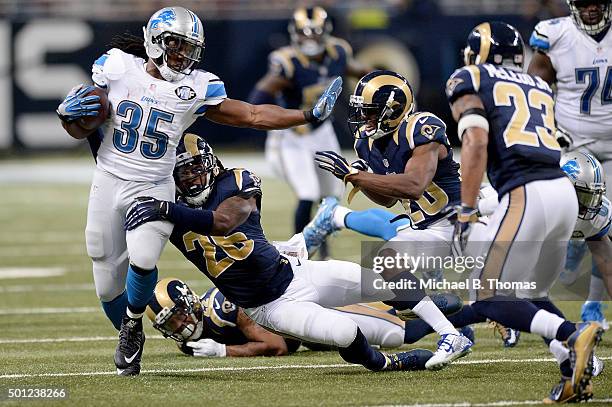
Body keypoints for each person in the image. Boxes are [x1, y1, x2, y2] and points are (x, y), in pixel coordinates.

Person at [56, 6, 343, 376]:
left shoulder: (196, 86)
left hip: (154, 184)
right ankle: (128, 324)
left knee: (143, 258)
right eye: (174, 45)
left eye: (188, 47)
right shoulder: (117, 67)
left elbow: (252, 115)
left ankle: (130, 327)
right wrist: (69, 119)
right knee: (105, 271)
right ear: (154, 42)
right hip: (109, 179)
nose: (182, 55)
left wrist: (305, 116)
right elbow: (84, 129)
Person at [124, 133, 470, 372]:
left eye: (197, 168)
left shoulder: (236, 181)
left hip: (296, 272)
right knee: (354, 334)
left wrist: (165, 210)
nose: (192, 180)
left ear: (211, 163)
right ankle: (384, 363)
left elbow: (224, 221)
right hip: (269, 307)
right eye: (183, 174)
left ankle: (448, 330)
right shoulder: (169, 210)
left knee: (389, 282)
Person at [446, 21, 604, 403]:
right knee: (530, 292)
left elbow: (477, 141)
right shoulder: (536, 84)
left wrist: (466, 209)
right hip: (562, 194)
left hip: (525, 192)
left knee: (487, 297)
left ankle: (571, 333)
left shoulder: (469, 77)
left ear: (476, 55)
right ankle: (573, 369)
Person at [313, 70, 474, 367]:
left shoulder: (421, 128)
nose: (364, 119)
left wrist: (355, 175)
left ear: (393, 109)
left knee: (513, 290)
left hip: (462, 222)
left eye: (370, 112)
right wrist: (363, 180)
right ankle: (452, 334)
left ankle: (560, 333)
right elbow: (388, 199)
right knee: (385, 266)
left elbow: (414, 186)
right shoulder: (368, 141)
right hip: (431, 228)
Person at [248, 6, 370, 258]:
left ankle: (322, 251)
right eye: (305, 33)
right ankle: (298, 253)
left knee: (331, 194)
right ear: (294, 34)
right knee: (307, 194)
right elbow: (258, 96)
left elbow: (362, 72)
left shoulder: (338, 52)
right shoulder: (287, 62)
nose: (310, 39)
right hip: (293, 135)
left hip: (322, 132)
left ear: (326, 33)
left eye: (315, 33)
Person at [528, 0, 612, 323]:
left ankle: (594, 305)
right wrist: (545, 131)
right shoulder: (556, 35)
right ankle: (530, 296)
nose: (591, 10)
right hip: (572, 145)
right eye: (584, 3)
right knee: (559, 225)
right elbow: (534, 91)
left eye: (597, 3)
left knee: (603, 231)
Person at [146, 278, 465, 357]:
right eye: (169, 325)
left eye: (177, 317)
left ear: (190, 304)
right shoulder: (190, 341)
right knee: (386, 327)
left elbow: (277, 345)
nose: (179, 326)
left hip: (309, 310)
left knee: (398, 335)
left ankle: (467, 313)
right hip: (306, 332)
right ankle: (414, 307)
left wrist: (223, 351)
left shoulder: (224, 307)